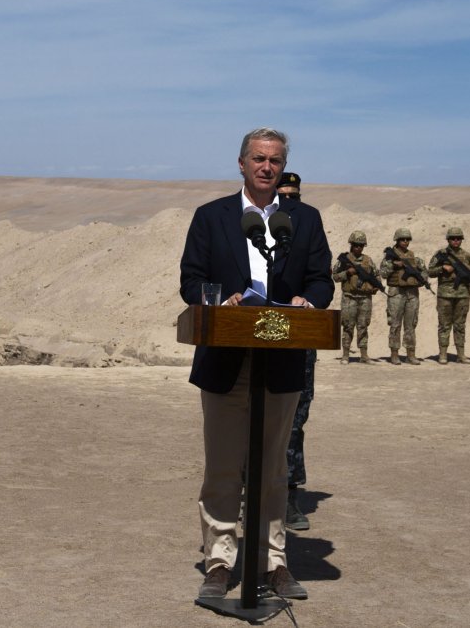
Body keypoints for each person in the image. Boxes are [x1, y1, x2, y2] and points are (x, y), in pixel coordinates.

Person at [180, 128, 334, 601]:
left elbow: (321, 279)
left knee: (272, 468)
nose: (267, 167)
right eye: (259, 158)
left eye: (275, 160)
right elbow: (191, 279)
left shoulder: (303, 219)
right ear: (242, 163)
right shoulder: (211, 217)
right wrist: (218, 300)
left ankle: (273, 561)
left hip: (282, 358)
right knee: (223, 466)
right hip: (225, 357)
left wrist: (307, 301)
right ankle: (220, 561)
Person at [275, 172, 313, 532]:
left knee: (294, 421)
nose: (289, 202)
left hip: (299, 336)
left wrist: (310, 298)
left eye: (294, 197)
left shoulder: (309, 229)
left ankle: (288, 494)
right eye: (283, 195)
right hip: (258, 336)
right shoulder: (254, 230)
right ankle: (249, 491)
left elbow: (320, 279)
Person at [428, 227, 470, 364]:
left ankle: (461, 354)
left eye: (458, 239)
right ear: (448, 240)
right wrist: (442, 268)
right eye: (453, 239)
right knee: (444, 325)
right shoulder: (441, 254)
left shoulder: (467, 256)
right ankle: (443, 354)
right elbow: (430, 271)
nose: (456, 241)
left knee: (460, 326)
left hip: (462, 295)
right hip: (445, 295)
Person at [380, 228, 426, 365]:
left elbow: (425, 271)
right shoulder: (390, 257)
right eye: (402, 239)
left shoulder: (414, 258)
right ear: (397, 240)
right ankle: (394, 354)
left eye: (407, 239)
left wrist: (421, 280)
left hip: (412, 293)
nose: (405, 242)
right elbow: (383, 273)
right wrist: (394, 265)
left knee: (411, 324)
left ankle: (410, 354)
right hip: (396, 292)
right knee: (395, 324)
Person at [332, 231, 378, 364]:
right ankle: (346, 355)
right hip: (349, 297)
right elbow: (335, 276)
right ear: (351, 245)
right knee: (348, 326)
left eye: (361, 245)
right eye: (356, 245)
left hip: (365, 298)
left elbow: (376, 275)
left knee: (363, 326)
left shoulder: (368, 260)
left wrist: (376, 286)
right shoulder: (344, 260)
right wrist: (347, 273)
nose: (358, 248)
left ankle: (364, 355)